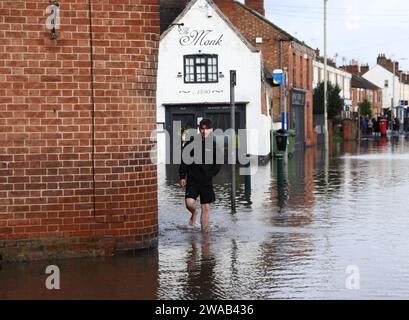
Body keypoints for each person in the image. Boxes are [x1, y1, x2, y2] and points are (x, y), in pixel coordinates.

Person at [179, 119, 222, 232]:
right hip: (193, 179)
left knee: (206, 208)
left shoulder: (214, 145)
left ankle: (204, 236)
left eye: (206, 129)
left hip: (206, 181)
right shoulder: (192, 143)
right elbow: (185, 160)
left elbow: (218, 163)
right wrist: (182, 176)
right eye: (202, 129)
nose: (204, 131)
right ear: (199, 129)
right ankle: (194, 212)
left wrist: (211, 174)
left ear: (211, 130)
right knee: (189, 203)